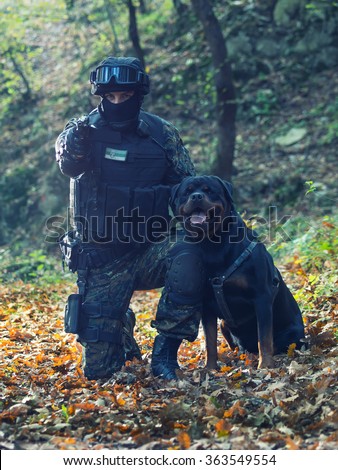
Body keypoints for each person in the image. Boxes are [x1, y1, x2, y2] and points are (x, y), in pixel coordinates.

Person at [55, 56, 205, 381]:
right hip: (103, 260)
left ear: (138, 95)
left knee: (193, 253)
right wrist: (76, 145)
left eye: (125, 96)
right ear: (101, 97)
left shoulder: (162, 135)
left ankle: (165, 353)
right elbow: (69, 163)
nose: (118, 103)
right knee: (99, 373)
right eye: (111, 97)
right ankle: (120, 324)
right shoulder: (82, 131)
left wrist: (205, 222)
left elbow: (189, 189)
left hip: (151, 249)